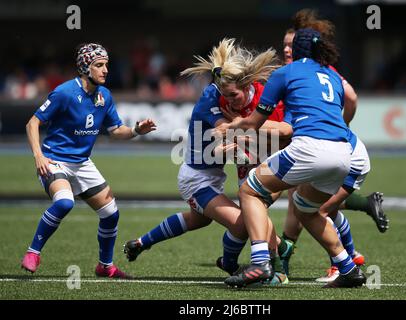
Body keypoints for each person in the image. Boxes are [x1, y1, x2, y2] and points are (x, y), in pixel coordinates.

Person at [123, 38, 291, 284]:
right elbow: (223, 132)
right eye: (225, 95)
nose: (229, 101)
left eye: (233, 95)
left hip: (215, 177)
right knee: (244, 221)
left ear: (247, 85)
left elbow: (261, 136)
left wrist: (250, 137)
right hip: (196, 178)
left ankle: (140, 243)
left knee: (197, 219)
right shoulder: (210, 99)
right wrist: (243, 137)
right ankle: (231, 264)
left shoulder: (259, 95)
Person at [215, 28, 367, 288]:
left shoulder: (286, 72)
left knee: (250, 190)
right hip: (344, 153)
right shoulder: (332, 74)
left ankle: (261, 262)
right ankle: (348, 268)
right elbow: (350, 99)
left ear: (295, 50)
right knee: (308, 210)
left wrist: (232, 126)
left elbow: (255, 122)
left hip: (309, 149)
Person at [21, 43, 157, 279]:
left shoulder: (105, 96)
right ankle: (33, 252)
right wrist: (39, 156)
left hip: (82, 163)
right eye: (99, 65)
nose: (105, 70)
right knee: (64, 203)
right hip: (55, 160)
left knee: (111, 213)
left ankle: (105, 266)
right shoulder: (64, 92)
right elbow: (32, 123)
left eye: (106, 65)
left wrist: (136, 130)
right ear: (85, 67)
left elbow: (115, 131)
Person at [277, 11, 389, 281]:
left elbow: (350, 97)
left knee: (312, 209)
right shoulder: (303, 72)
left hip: (332, 151)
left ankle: (339, 263)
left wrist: (245, 126)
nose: (286, 49)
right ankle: (343, 257)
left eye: (291, 45)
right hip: (321, 150)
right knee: (306, 206)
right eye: (284, 45)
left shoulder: (312, 72)